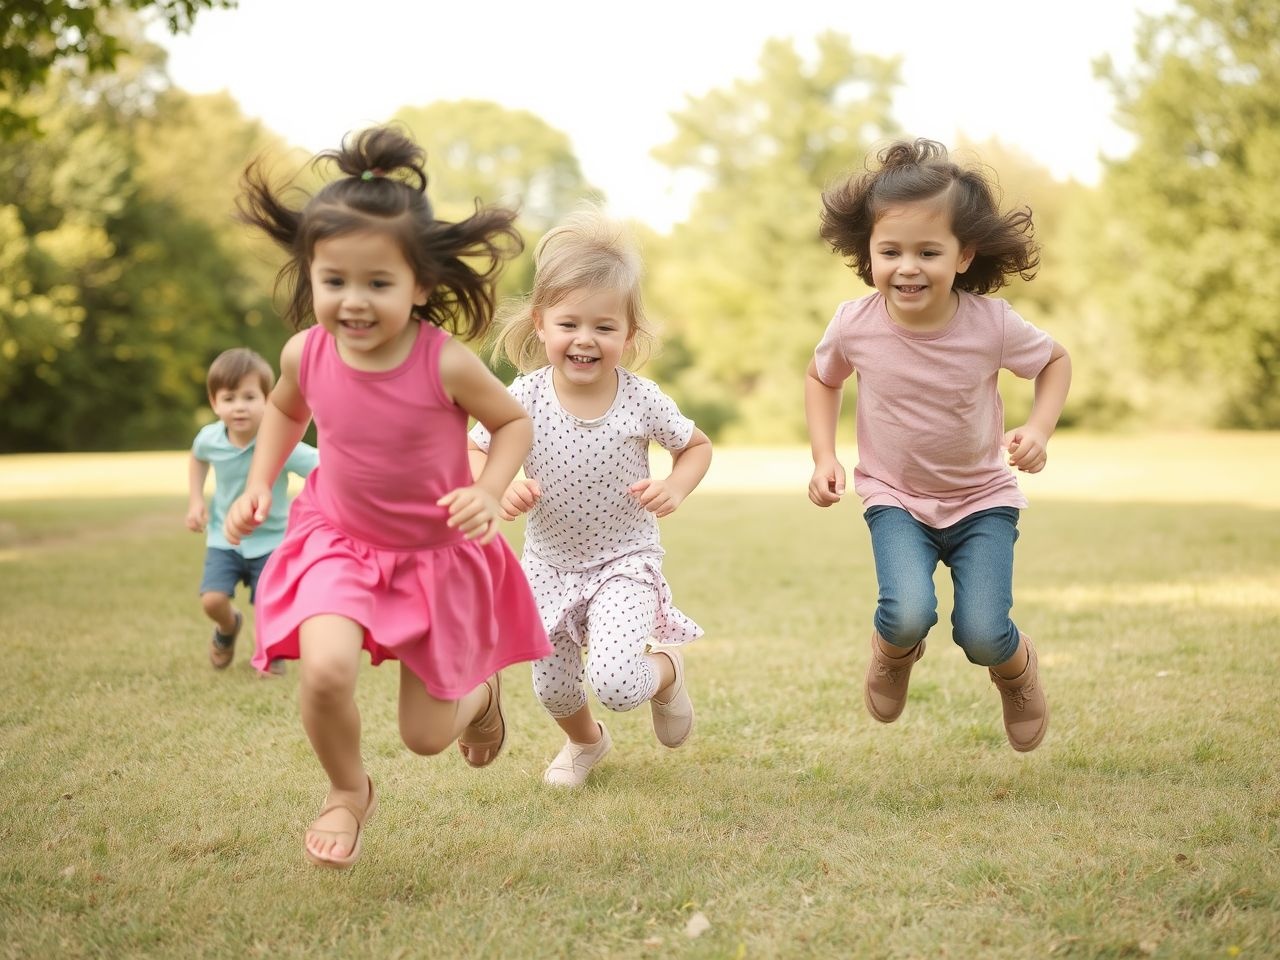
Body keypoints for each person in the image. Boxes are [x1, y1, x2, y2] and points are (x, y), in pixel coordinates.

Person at [224, 125, 551, 869]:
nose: (354, 302)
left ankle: (480, 700)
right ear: (310, 274)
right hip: (337, 539)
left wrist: (489, 490)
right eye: (334, 281)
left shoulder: (448, 364)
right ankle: (347, 791)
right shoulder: (303, 352)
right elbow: (284, 409)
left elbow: (513, 422)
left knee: (426, 736)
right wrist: (259, 481)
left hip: (435, 557)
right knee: (326, 667)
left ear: (422, 285)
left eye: (379, 283)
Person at [805, 138, 1072, 753]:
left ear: (962, 254)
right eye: (890, 250)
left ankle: (1016, 671)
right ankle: (893, 652)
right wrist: (825, 456)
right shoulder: (855, 323)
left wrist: (1038, 429)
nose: (907, 266)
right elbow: (822, 378)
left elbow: (1054, 362)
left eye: (928, 251)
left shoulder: (992, 324)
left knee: (981, 632)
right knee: (906, 613)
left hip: (983, 500)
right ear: (867, 251)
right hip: (894, 497)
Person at [469, 206, 712, 788]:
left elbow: (696, 446)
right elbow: (476, 448)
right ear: (541, 324)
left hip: (624, 562)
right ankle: (585, 743)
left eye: (604, 327)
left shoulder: (640, 399)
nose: (586, 339)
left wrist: (675, 485)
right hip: (548, 565)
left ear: (629, 335)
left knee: (616, 683)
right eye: (570, 324)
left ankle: (666, 672)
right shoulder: (522, 396)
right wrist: (498, 484)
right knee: (550, 685)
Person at [186, 347, 318, 676]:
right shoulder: (210, 439)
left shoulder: (280, 442)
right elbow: (197, 457)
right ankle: (228, 628)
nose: (239, 406)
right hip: (223, 538)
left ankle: (271, 654)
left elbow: (322, 465)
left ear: (269, 400)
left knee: (269, 604)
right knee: (212, 600)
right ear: (214, 403)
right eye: (229, 398)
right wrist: (196, 500)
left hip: (273, 541)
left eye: (249, 396)